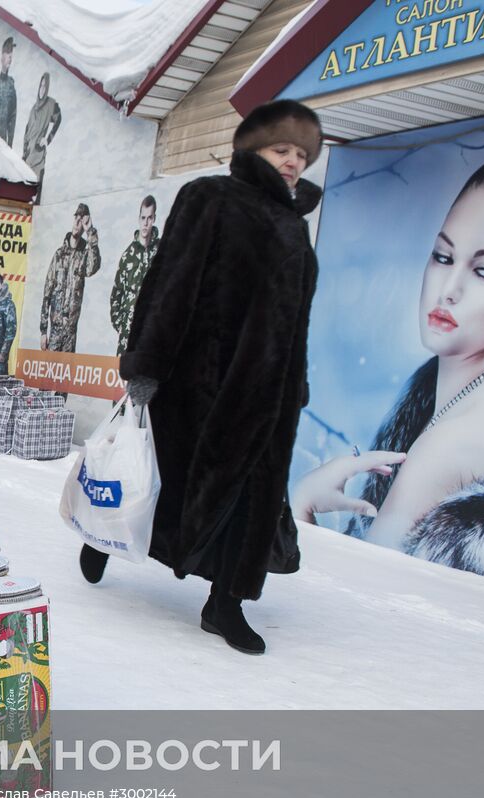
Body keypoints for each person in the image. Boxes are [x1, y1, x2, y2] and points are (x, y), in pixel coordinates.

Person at [292, 105, 484, 596]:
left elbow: (352, 602)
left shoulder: (453, 447)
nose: (448, 288)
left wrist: (304, 506)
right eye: (443, 256)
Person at [96, 99, 324, 656]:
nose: (292, 162)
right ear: (250, 149)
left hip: (265, 394)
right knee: (155, 477)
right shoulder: (211, 198)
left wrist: (297, 385)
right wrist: (146, 365)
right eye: (280, 149)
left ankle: (225, 604)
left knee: (249, 502)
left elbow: (296, 321)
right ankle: (102, 535)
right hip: (198, 382)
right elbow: (170, 281)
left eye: (301, 153)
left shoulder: (296, 228)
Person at [40, 204, 101, 353]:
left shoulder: (84, 256)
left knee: (65, 374)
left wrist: (90, 232)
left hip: (71, 333)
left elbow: (93, 268)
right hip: (54, 332)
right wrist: (43, 331)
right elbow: (47, 293)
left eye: (82, 220)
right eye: (76, 218)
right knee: (48, 373)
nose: (77, 223)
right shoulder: (59, 255)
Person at [109, 195, 160, 356]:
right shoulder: (128, 256)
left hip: (151, 335)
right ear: (139, 219)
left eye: (149, 218)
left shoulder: (162, 252)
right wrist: (122, 325)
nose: (146, 223)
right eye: (143, 218)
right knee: (123, 380)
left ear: (154, 218)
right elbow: (116, 294)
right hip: (128, 337)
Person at [23, 72, 62, 203]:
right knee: (26, 190)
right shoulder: (33, 108)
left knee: (36, 189)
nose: (42, 89)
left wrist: (48, 139)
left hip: (39, 154)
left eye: (45, 86)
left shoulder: (51, 104)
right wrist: (24, 153)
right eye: (41, 86)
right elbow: (27, 130)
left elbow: (58, 118)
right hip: (28, 155)